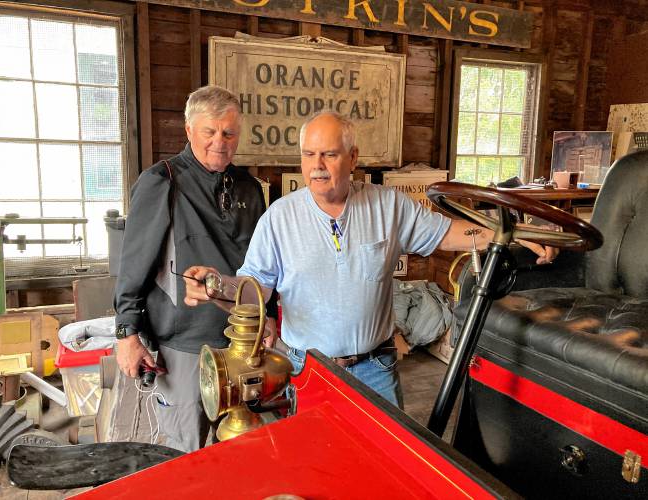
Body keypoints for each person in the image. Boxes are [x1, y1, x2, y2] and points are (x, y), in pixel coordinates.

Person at [182, 112, 556, 409]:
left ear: (353, 158)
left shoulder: (388, 205)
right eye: (309, 154)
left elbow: (447, 233)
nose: (317, 165)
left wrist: (509, 233)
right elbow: (254, 289)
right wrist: (217, 286)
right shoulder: (280, 217)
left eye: (329, 154)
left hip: (375, 368)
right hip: (305, 369)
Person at [113, 85, 268, 452]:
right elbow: (133, 266)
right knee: (187, 451)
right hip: (183, 345)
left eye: (229, 133)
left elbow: (265, 266)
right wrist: (126, 334)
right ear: (188, 131)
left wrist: (269, 317)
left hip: (241, 340)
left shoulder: (250, 188)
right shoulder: (161, 181)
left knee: (239, 447)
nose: (220, 141)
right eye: (209, 131)